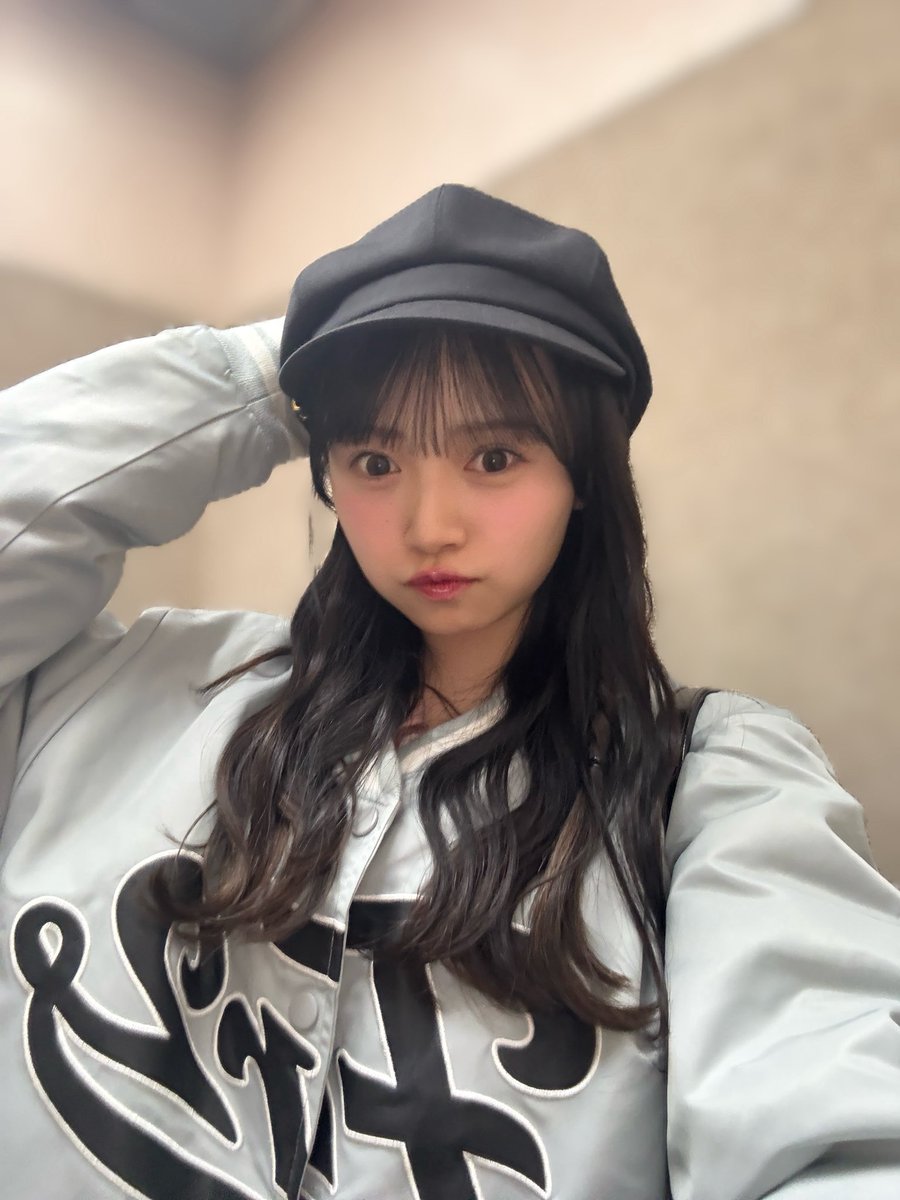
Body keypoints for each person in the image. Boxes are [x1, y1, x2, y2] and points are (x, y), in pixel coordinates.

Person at [0, 184, 898, 1200]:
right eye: (375, 458)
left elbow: (838, 1122)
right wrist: (280, 368)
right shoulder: (134, 689)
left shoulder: (709, 785)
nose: (430, 526)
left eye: (495, 456)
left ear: (584, 474)